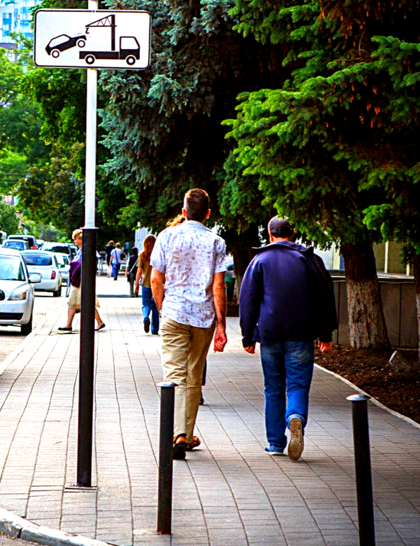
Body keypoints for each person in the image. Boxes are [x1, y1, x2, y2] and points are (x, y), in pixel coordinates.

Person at [239, 216, 338, 460]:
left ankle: (275, 443)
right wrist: (326, 333)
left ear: (270, 235)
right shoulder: (308, 259)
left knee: (273, 388)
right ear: (292, 234)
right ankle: (295, 417)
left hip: (270, 333)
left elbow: (248, 300)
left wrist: (248, 335)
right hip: (301, 333)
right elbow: (326, 296)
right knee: (298, 384)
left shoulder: (259, 260)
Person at [150, 188, 228, 459]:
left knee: (174, 375)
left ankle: (178, 434)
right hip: (203, 317)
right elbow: (218, 285)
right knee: (194, 375)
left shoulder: (166, 236)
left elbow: (155, 279)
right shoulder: (216, 242)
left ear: (183, 212)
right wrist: (221, 325)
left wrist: (163, 309)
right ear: (208, 213)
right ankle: (186, 433)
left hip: (174, 313)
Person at [59, 228, 104, 332]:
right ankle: (69, 324)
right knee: (77, 302)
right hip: (79, 280)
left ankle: (98, 322)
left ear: (80, 239)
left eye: (75, 239)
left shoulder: (86, 250)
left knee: (85, 302)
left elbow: (87, 262)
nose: (74, 241)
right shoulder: (81, 251)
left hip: (81, 280)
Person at [136, 235, 158, 333]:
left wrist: (136, 283)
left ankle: (145, 317)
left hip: (145, 283)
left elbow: (139, 271)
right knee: (156, 306)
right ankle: (154, 329)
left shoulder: (142, 255)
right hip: (157, 282)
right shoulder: (158, 254)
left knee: (146, 304)